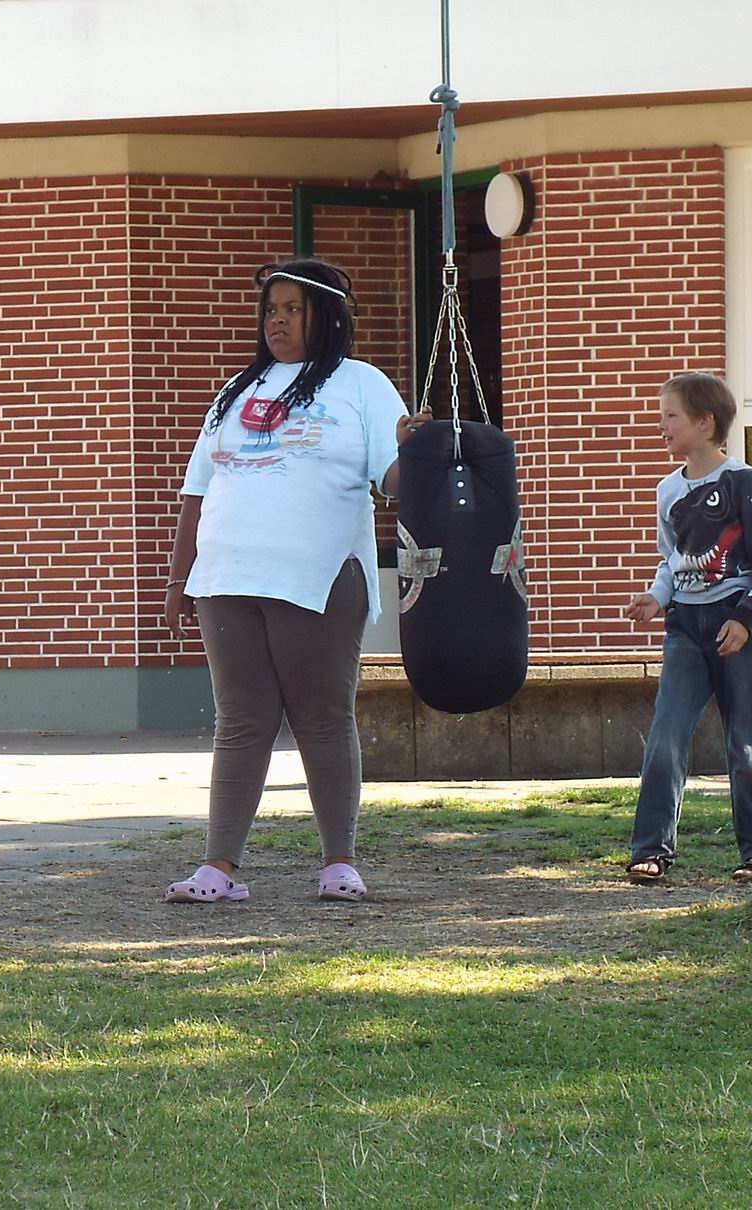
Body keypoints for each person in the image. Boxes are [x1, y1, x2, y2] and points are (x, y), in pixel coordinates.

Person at [162, 259, 426, 904]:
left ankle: (339, 864)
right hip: (226, 576)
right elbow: (198, 491)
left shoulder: (361, 383)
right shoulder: (236, 389)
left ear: (326, 316)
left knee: (322, 718)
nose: (275, 321)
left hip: (320, 573)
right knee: (240, 721)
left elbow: (394, 481)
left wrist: (412, 449)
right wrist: (179, 578)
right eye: (270, 310)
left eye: (291, 309)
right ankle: (217, 869)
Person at [622, 372, 752, 884]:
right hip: (685, 629)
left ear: (704, 421)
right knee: (666, 735)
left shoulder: (746, 481)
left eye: (670, 415)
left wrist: (744, 618)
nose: (662, 425)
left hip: (735, 623)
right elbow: (671, 559)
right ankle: (651, 848)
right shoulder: (667, 490)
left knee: (747, 740)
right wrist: (656, 598)